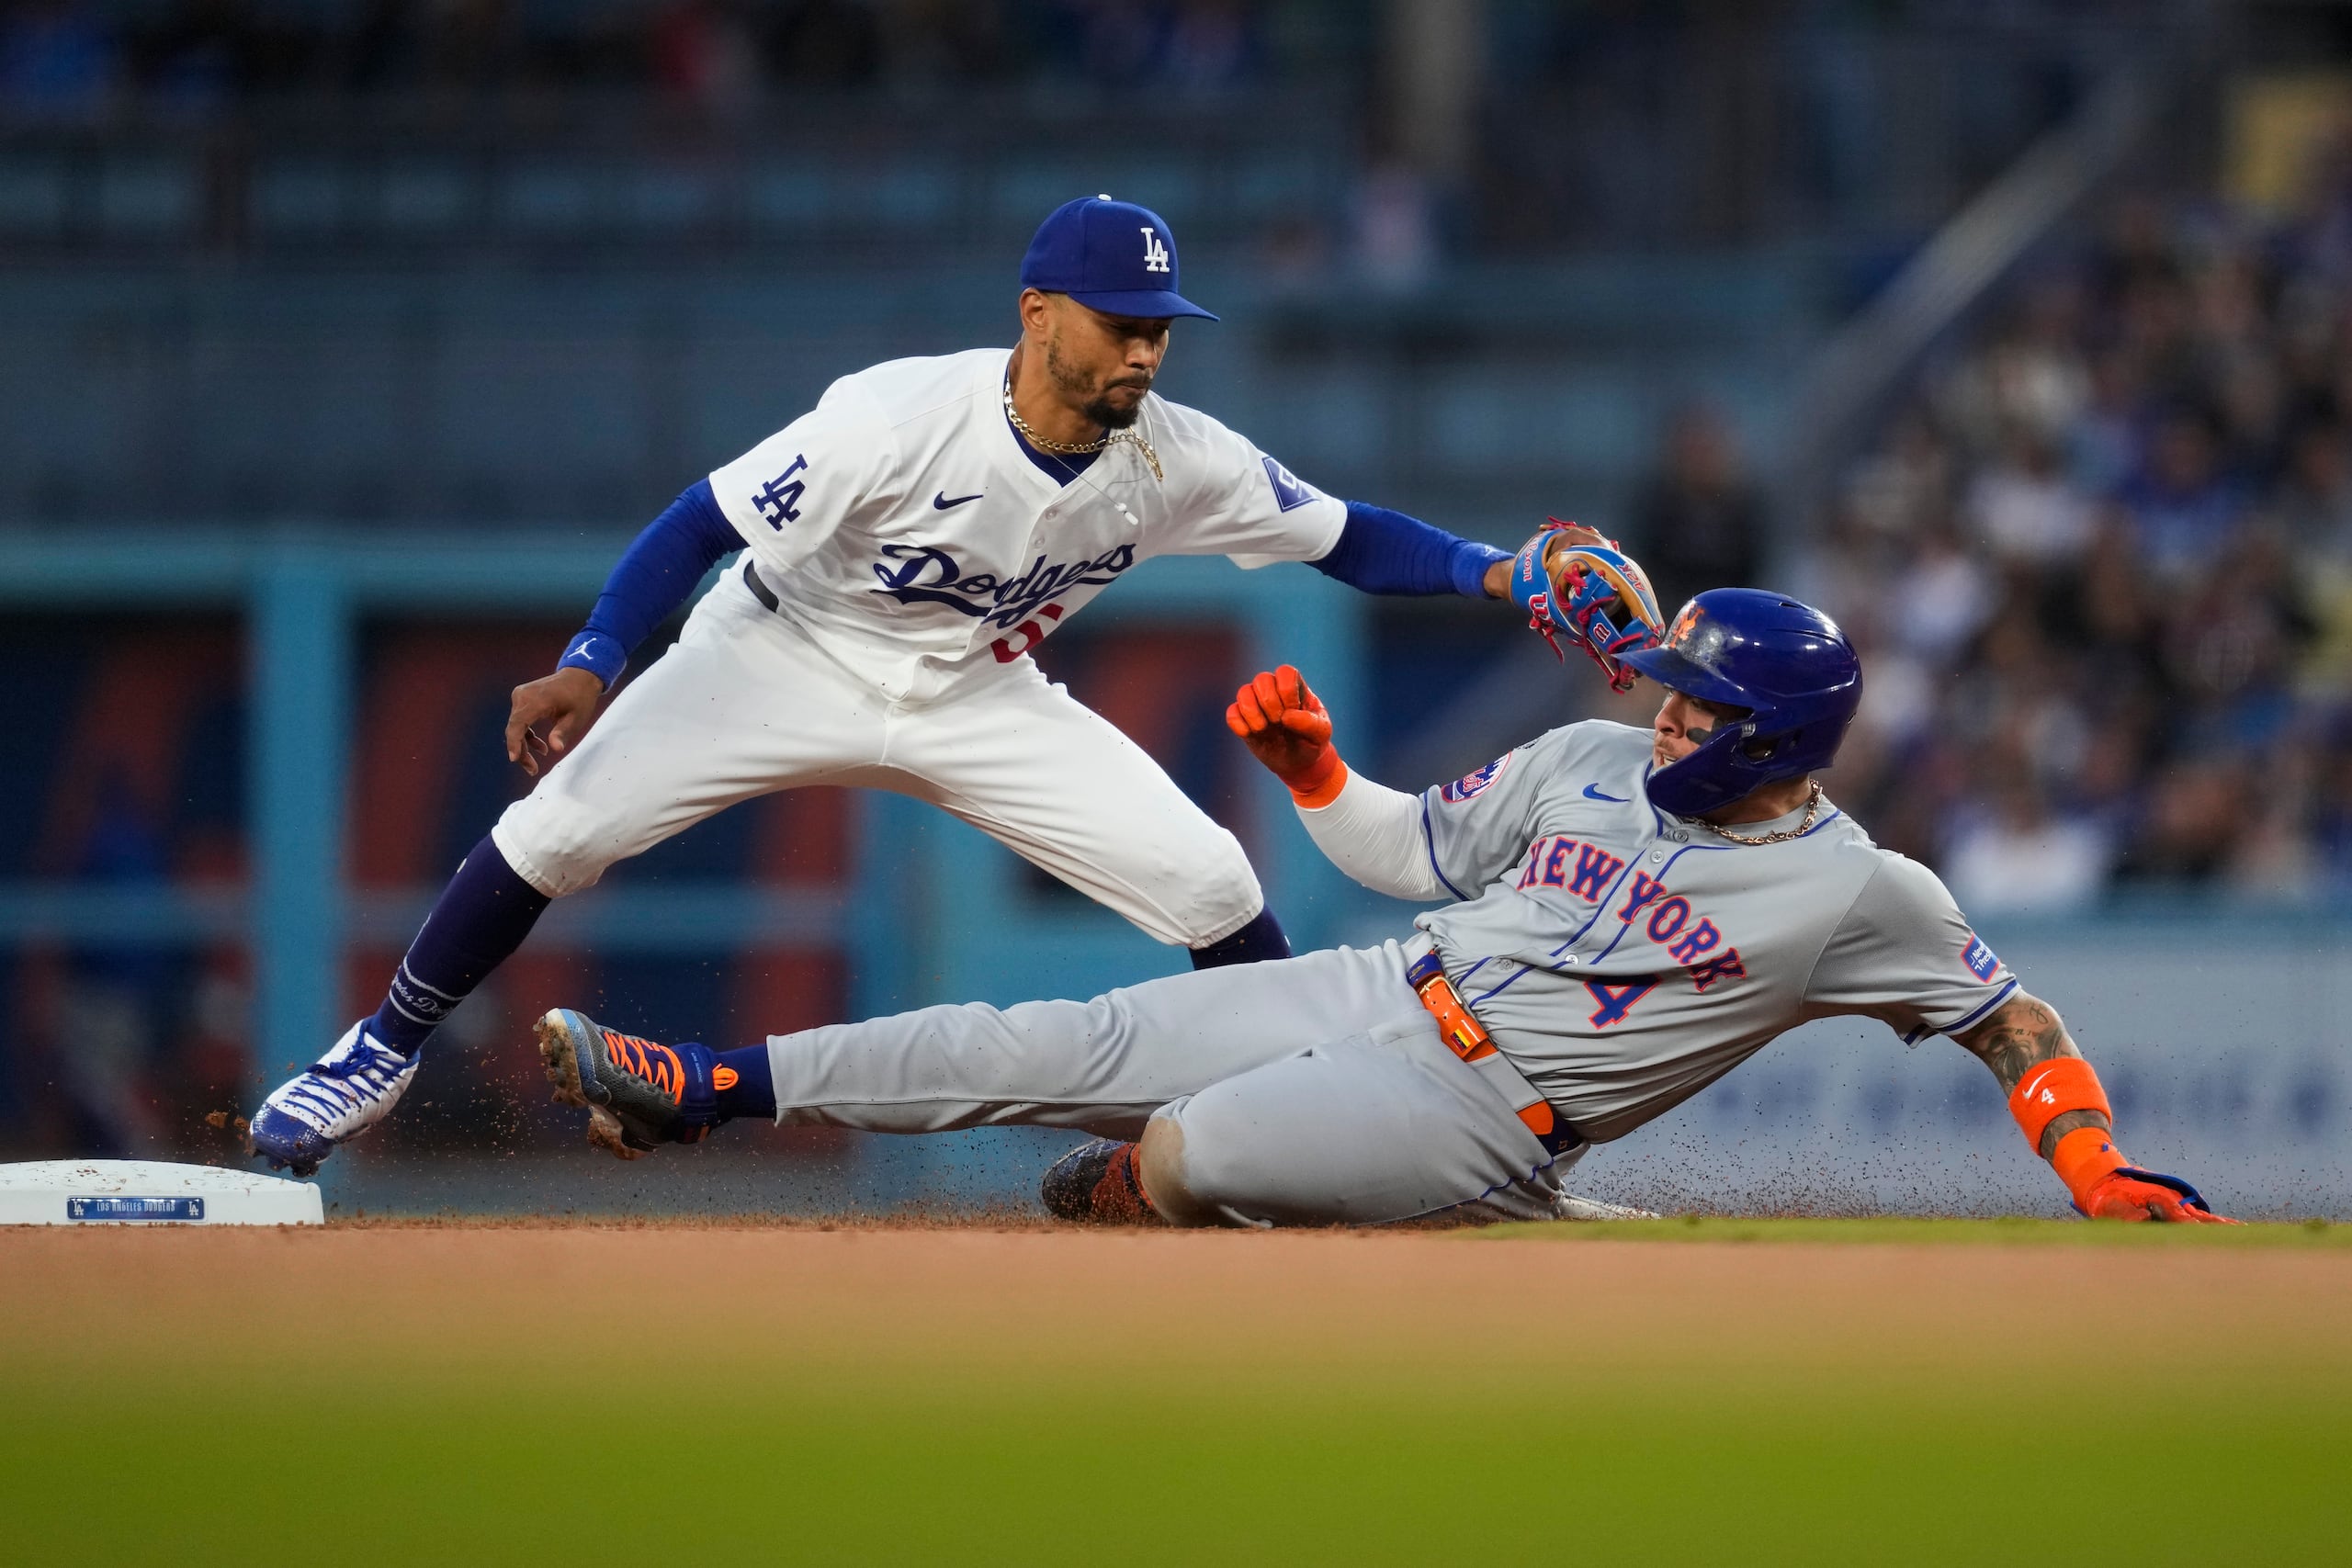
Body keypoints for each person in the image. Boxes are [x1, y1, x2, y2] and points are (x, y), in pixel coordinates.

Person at [248, 196, 1540, 1177]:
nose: (1147, 352)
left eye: (1159, 330)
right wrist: (597, 659)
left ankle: (1294, 1115)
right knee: (558, 830)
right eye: (1120, 326)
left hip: (980, 691)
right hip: (778, 653)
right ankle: (380, 1052)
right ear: (1038, 314)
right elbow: (700, 523)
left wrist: (1500, 574)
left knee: (1211, 880)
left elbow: (1349, 536)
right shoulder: (894, 418)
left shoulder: (1180, 458)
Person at [528, 587, 2234, 1225]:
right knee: (1038, 1034)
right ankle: (704, 1090)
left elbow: (2012, 1017)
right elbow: (1413, 853)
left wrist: (2090, 1161)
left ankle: (1155, 1191)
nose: (1664, 714)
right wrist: (1318, 778)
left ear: (1778, 737)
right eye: (1665, 690)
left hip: (1490, 1111)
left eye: (1700, 707)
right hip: (1380, 980)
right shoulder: (1586, 754)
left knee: (1192, 1147)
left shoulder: (1864, 889)